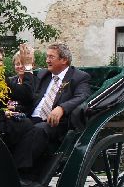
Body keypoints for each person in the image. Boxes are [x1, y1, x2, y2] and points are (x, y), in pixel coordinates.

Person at [9, 43, 92, 179]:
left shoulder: (79, 77)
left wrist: (62, 108)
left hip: (57, 123)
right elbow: (31, 97)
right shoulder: (43, 75)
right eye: (47, 57)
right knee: (10, 124)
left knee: (38, 130)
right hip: (33, 117)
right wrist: (16, 108)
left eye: (51, 57)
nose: (47, 60)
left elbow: (82, 96)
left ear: (64, 60)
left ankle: (19, 173)